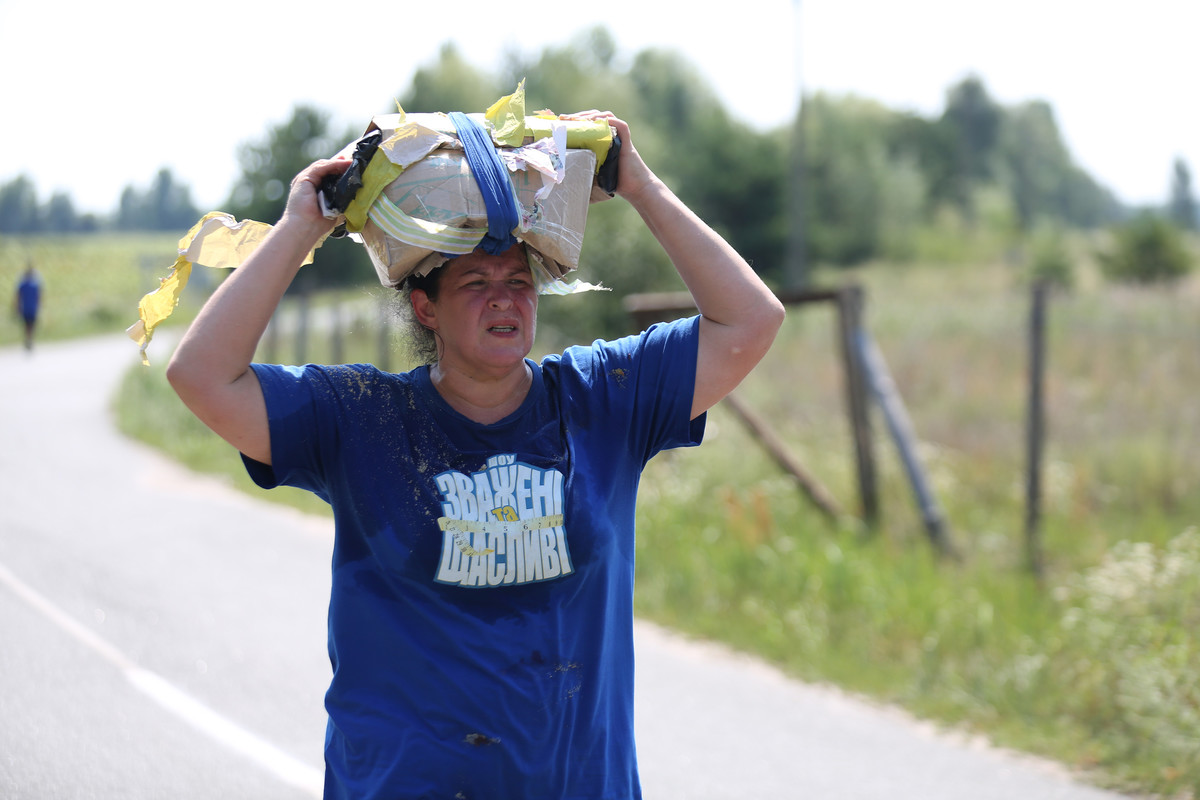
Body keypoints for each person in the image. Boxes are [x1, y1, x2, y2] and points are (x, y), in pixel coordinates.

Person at [166, 110, 785, 799]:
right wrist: (300, 226)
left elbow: (751, 320)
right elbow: (202, 376)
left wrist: (640, 186)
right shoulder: (362, 418)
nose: (504, 301)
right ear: (425, 309)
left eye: (518, 282)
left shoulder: (602, 399)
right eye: (475, 284)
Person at [15, 266, 41, 351]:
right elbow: (39, 296)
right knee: (31, 325)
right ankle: (30, 340)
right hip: (32, 308)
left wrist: (17, 307)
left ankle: (28, 339)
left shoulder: (22, 284)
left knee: (27, 325)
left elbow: (18, 296)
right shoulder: (35, 285)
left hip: (26, 308)